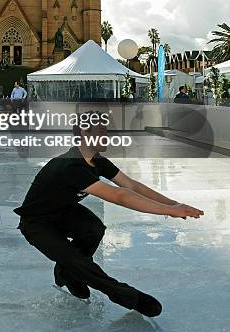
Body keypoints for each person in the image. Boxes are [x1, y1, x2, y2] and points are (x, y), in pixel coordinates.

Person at [14, 113, 204, 318]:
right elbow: (119, 195)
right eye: (101, 132)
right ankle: (126, 295)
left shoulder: (97, 161)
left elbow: (131, 185)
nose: (107, 136)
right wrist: (168, 211)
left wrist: (173, 204)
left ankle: (68, 273)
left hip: (64, 212)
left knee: (93, 229)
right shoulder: (70, 165)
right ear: (84, 133)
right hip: (37, 223)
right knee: (75, 259)